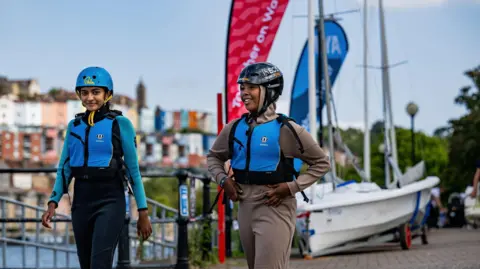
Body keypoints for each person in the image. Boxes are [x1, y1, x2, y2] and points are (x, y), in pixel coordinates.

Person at [207, 62, 330, 269]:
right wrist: (223, 180)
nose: (244, 93)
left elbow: (321, 162)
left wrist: (291, 188)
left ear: (269, 92)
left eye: (251, 87)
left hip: (275, 206)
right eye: (242, 88)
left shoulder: (287, 130)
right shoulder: (233, 128)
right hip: (245, 206)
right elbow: (213, 158)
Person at [41, 66, 152, 269]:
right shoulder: (74, 126)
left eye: (96, 92)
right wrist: (53, 202)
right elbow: (65, 167)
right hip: (81, 202)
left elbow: (134, 170)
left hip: (110, 200)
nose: (90, 97)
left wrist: (143, 212)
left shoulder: (120, 124)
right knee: (86, 265)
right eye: (84, 93)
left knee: (99, 264)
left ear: (107, 94)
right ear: (79, 95)